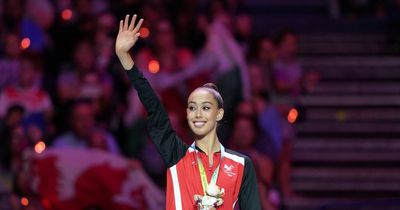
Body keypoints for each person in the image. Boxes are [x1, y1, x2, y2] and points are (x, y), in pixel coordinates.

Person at [115, 14, 261, 209]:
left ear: (219, 114)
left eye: (205, 107)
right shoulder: (176, 154)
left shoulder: (242, 165)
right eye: (192, 107)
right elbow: (151, 103)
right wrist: (124, 56)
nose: (198, 113)